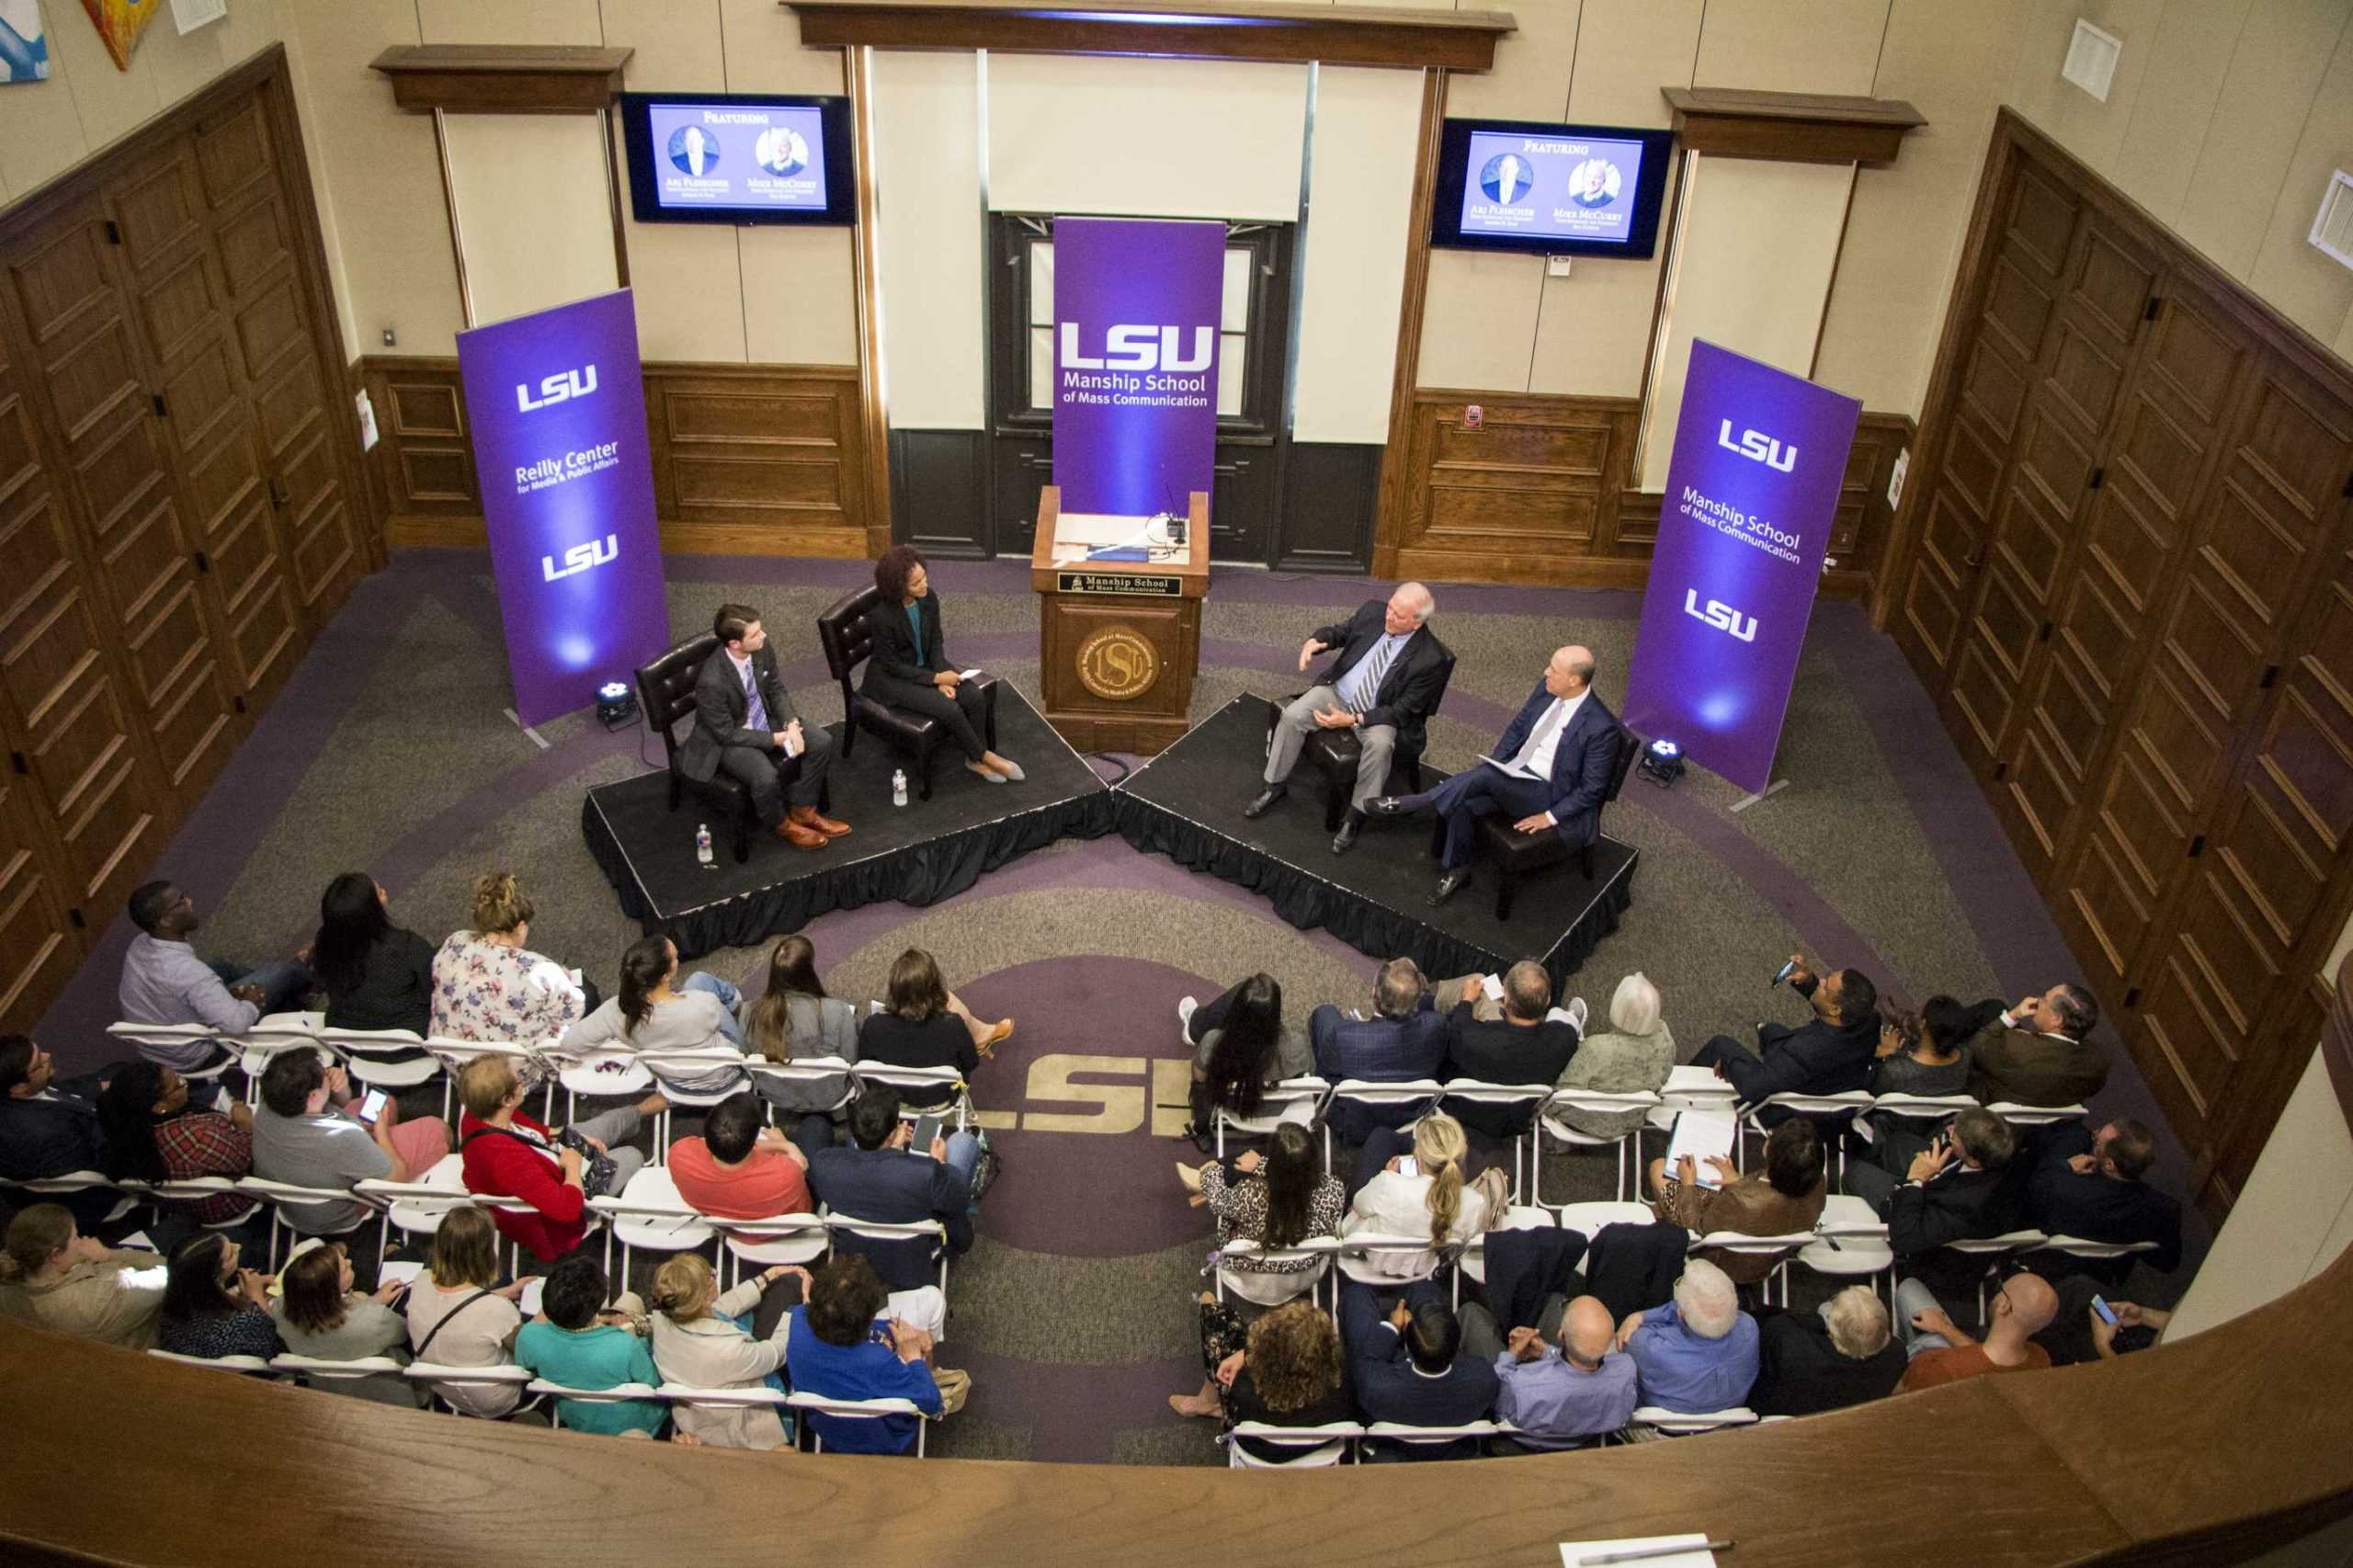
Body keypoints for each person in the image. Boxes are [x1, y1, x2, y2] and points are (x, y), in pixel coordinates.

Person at [1366, 644, 1620, 907]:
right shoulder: (1547, 690)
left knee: (1484, 778)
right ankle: (1458, 869)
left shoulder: (1600, 727)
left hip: (1549, 793)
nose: (1546, 672)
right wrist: (1499, 764)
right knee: (1464, 800)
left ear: (1574, 680)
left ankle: (1417, 803)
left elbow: (1592, 789)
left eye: (1553, 670)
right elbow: (1518, 728)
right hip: (1514, 775)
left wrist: (1549, 816)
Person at [1250, 582, 1449, 857]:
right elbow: (1340, 632)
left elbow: (1402, 711)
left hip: (1378, 714)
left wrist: (1353, 719)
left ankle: (1355, 816)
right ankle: (1274, 785)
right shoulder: (1372, 612)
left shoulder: (1431, 659)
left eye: (1398, 615)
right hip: (1338, 693)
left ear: (1416, 623)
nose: (1389, 616)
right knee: (1293, 715)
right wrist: (1317, 641)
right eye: (1390, 607)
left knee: (1380, 747)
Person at [676, 601, 850, 850]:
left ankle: (803, 809)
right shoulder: (711, 681)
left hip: (764, 718)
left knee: (822, 741)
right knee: (766, 777)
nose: (764, 636)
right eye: (755, 634)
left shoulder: (761, 647)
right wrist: (776, 740)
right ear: (735, 644)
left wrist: (790, 724)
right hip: (730, 737)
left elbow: (775, 688)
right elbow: (725, 733)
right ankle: (782, 824)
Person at [454, 1055, 660, 1262]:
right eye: (518, 1080)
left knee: (602, 1127)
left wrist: (565, 1136)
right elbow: (567, 1209)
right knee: (632, 1155)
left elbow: (535, 1131)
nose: (522, 1081)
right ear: (506, 1100)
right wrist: (573, 1164)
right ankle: (647, 1110)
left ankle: (642, 1109)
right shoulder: (507, 1161)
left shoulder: (479, 1114)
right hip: (567, 1191)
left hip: (550, 1154)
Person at [863, 545, 1024, 786]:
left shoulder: (928, 598)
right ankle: (983, 756)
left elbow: (936, 641)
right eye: (916, 583)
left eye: (924, 577)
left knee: (973, 695)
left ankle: (974, 759)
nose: (924, 585)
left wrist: (939, 672)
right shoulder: (882, 617)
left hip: (927, 667)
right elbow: (893, 666)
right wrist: (936, 680)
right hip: (892, 680)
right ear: (898, 587)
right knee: (949, 709)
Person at [251, 1047, 449, 1236]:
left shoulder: (270, 1101)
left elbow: (340, 1104)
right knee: (437, 1130)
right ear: (312, 1095)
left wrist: (341, 1088)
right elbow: (395, 1180)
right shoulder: (343, 1138)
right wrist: (382, 1134)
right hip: (341, 1210)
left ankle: (384, 1138)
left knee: (383, 1100)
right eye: (325, 1075)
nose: (328, 1072)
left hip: (297, 1201)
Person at [117, 880, 312, 1067]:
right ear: (165, 920)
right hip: (204, 1054)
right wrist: (250, 1000)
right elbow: (237, 1025)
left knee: (220, 967)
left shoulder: (140, 944)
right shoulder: (189, 973)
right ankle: (305, 971)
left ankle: (284, 1000)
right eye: (181, 902)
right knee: (280, 972)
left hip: (164, 1040)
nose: (190, 902)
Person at [803, 1085, 980, 1291]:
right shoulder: (928, 1173)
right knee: (963, 1143)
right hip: (913, 1255)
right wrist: (940, 1163)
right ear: (891, 1133)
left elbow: (874, 1180)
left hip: (853, 1246)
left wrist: (894, 1148)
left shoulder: (825, 1164)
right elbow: (958, 1199)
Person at [785, 1252, 954, 1454]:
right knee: (933, 1299)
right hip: (883, 1436)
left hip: (825, 1426)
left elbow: (814, 1318)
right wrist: (913, 1356)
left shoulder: (797, 1322)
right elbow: (932, 1402)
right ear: (869, 1317)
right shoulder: (880, 1362)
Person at [1176, 1121, 1344, 1304]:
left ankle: (1203, 1175)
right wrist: (1261, 1165)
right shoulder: (1334, 1190)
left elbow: (1218, 1202)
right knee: (1249, 1163)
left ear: (1273, 1164)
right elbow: (1295, 1185)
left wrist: (1210, 1171)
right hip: (1303, 1272)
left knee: (1230, 1170)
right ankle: (1219, 1170)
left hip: (1250, 1268)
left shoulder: (1250, 1195)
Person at [1648, 1118, 1828, 1286]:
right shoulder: (1818, 1183)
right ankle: (1660, 1211)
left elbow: (1696, 1225)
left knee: (1659, 1167)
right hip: (1767, 1262)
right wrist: (1738, 1182)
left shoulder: (1740, 1200)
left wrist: (1688, 1183)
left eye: (1773, 1135)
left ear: (1772, 1154)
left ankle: (1660, 1212)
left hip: (1722, 1263)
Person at [561, 935, 744, 1100]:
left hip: (675, 1084)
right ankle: (737, 1002)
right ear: (665, 976)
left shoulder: (615, 1011)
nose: (678, 959)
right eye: (676, 957)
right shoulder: (703, 1004)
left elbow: (570, 1043)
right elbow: (704, 1016)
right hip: (727, 1077)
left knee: (699, 982)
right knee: (701, 980)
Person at [1688, 951, 1881, 1108]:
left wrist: (1729, 1065)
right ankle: (1765, 1033)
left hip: (1784, 1109)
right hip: (1829, 1087)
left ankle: (1677, 1090)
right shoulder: (1870, 1020)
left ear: (1835, 1009)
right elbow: (1828, 1011)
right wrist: (1809, 983)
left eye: (1825, 985)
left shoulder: (1805, 1051)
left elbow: (1753, 1086)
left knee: (1720, 1045)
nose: (1821, 980)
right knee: (1771, 1030)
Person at [648, 1253, 800, 1449]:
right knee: (791, 1287)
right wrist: (795, 1313)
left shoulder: (662, 1316)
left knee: (782, 1284)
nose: (714, 1276)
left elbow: (715, 1310)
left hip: (693, 1418)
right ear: (704, 1297)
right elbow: (778, 1352)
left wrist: (765, 1278)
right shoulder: (729, 1348)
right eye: (711, 1275)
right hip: (744, 1430)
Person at [1170, 1296, 1352, 1458]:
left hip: (1257, 1448)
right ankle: (1211, 1407)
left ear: (1267, 1352)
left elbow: (1242, 1379)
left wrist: (1246, 1354)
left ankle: (1208, 1404)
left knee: (1213, 1313)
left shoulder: (1244, 1384)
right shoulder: (1345, 1384)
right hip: (1316, 1451)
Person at [1339, 1278, 1499, 1457]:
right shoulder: (1484, 1381)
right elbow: (1468, 1364)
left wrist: (1392, 1328)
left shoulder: (1376, 1387)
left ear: (1408, 1348)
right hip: (1453, 1445)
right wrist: (1424, 1336)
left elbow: (1368, 1359)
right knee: (1425, 1288)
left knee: (1356, 1294)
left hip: (1395, 1444)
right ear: (1456, 1346)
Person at [429, 871, 595, 1044]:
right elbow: (570, 1013)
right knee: (588, 992)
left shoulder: (455, 941)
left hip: (455, 1056)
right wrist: (559, 978)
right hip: (513, 1066)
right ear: (521, 926)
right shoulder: (537, 969)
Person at [1455, 1292, 1637, 1449]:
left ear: (1561, 1335)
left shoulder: (1519, 1386)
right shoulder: (1626, 1370)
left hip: (1521, 1446)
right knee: (1554, 1299)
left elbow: (1495, 1398)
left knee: (1472, 1313)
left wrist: (1512, 1354)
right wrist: (1546, 1351)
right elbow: (1585, 1360)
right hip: (1587, 1442)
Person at [1340, 1112, 1504, 1281]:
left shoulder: (1389, 1184)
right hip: (1425, 1265)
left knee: (1381, 1137)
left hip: (1371, 1257)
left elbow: (1358, 1205)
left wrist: (1387, 1175)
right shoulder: (1473, 1204)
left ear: (1417, 1158)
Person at [513, 1254, 663, 1437]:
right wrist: (633, 1334)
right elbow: (654, 1384)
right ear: (597, 1306)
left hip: (577, 1420)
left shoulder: (529, 1337)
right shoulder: (625, 1344)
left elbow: (525, 1362)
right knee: (631, 1299)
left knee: (628, 1300)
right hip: (635, 1425)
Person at [404, 1204, 529, 1418]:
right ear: (486, 1251)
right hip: (499, 1398)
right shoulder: (498, 1310)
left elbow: (461, 1310)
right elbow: (527, 1352)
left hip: (447, 1391)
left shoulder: (421, 1280)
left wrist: (503, 1293)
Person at [94, 1060, 254, 1228]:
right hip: (228, 1202)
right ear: (159, 1106)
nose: (184, 1083)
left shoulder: (125, 1130)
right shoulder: (197, 1136)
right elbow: (246, 1159)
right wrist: (244, 1124)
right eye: (178, 1084)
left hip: (179, 1206)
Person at [1847, 1106, 2023, 1256]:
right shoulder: (1991, 1151)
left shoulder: (1967, 1207)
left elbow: (1906, 1237)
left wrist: (1915, 1180)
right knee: (1897, 1142)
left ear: (1973, 1157)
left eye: (1956, 1133)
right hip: (1933, 1181)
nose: (1949, 1130)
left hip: (1908, 1216)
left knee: (1856, 1172)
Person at [1310, 957, 1447, 1145]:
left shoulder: (1344, 1036)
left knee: (1325, 1013)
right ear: (1417, 1001)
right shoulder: (1436, 1026)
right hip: (1410, 1117)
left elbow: (1325, 1075)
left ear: (1374, 992)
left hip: (1352, 1125)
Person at [1439, 960, 1581, 1142]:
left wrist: (1466, 1000)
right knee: (1561, 1016)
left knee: (1478, 980)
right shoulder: (1565, 1038)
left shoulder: (1473, 1037)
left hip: (1465, 1110)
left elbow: (1457, 1028)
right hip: (1515, 1119)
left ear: (1505, 997)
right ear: (1547, 1000)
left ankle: (1423, 992)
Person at [2025, 1119, 2182, 1278]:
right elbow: (2167, 1263)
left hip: (2050, 1258)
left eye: (2098, 1141)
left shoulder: (2064, 1189)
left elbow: (2034, 1186)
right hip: (2103, 1270)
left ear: (2109, 1165)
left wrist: (2066, 1166)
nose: (2094, 1133)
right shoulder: (2166, 1210)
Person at [856, 948, 1009, 1109]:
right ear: (936, 988)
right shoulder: (953, 1026)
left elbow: (865, 1068)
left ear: (894, 990)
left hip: (892, 1101)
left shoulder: (873, 1026)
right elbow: (971, 1063)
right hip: (941, 1100)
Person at [0, 1203, 166, 1347]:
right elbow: (171, 1272)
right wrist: (108, 1254)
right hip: (143, 1349)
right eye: (75, 1237)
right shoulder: (104, 1296)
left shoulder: (7, 1293)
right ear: (56, 1255)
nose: (82, 1242)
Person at [1176, 972, 1314, 1140]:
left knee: (1244, 990)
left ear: (1235, 1011)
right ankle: (1195, 1023)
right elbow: (1304, 1079)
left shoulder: (1213, 1043)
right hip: (1280, 1110)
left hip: (1231, 1108)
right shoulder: (1297, 1045)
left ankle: (1195, 1023)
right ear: (1276, 1012)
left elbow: (1199, 1082)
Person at [271, 1239, 411, 1403]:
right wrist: (371, 1307)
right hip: (387, 1395)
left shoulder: (280, 1309)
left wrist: (373, 1302)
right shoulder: (376, 1321)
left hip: (324, 1392)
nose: (350, 1260)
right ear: (331, 1290)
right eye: (345, 1268)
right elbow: (404, 1332)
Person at [1617, 1257, 1758, 1414]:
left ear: (1681, 1314)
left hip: (1660, 1432)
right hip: (1726, 1428)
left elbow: (1626, 1337)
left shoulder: (1653, 1348)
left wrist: (1641, 1316)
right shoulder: (1748, 1329)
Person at [740, 935, 860, 1117]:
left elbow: (747, 1058)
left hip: (776, 1093)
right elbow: (851, 1061)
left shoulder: (749, 1011)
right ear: (808, 972)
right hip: (828, 1094)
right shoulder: (838, 1011)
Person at [0, 1036, 113, 1226]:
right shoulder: (46, 1135)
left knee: (119, 1071)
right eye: (39, 1063)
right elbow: (102, 1162)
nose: (48, 1055)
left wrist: (104, 1087)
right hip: (97, 1188)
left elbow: (57, 1090)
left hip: (77, 1123)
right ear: (19, 1088)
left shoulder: (20, 1091)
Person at [1551, 972, 1675, 1141]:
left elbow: (1565, 1088)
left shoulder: (1598, 1048)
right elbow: (1663, 1079)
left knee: (1556, 1021)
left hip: (1581, 1119)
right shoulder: (1664, 1038)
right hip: (1629, 1119)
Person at [1747, 1286, 1906, 1416]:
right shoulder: (1896, 1355)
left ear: (1830, 1325)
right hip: (1836, 1414)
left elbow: (1775, 1327)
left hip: (1775, 1409)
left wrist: (1820, 1319)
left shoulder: (1791, 1343)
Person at [312, 872, 435, 1039]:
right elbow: (433, 988)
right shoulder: (407, 946)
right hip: (407, 1040)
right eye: (380, 892)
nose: (385, 891)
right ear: (371, 910)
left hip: (348, 1039)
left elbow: (320, 981)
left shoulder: (325, 942)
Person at [1895, 1269, 2058, 1392]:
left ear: (2004, 1306)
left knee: (1909, 1287)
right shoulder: (2042, 1360)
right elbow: (1984, 1359)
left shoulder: (1937, 1366)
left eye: (2001, 1290)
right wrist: (1944, 1327)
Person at [668, 1090, 814, 1220]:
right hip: (787, 1230)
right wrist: (785, 1143)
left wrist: (784, 1146)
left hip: (730, 1230)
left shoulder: (680, 1154)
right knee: (816, 1125)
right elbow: (804, 1202)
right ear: (754, 1141)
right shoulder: (786, 1172)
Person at [1964, 983, 2109, 1108]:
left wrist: (2014, 1014)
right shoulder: (2100, 1060)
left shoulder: (2017, 1048)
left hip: (1991, 1096)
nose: (2038, 1000)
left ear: (2056, 1019)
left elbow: (1977, 1045)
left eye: (2045, 999)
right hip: (2038, 1101)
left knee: (1993, 1008)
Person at [156, 1233, 281, 1360]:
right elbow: (276, 1355)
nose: (238, 1246)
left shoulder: (170, 1312)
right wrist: (257, 1298)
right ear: (218, 1269)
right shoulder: (247, 1320)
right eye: (232, 1252)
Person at [1869, 997, 1973, 1097]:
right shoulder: (1965, 1056)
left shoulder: (1894, 1071)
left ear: (1923, 1023)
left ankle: (1905, 1022)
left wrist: (1885, 1055)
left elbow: (1872, 1094)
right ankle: (1906, 1022)